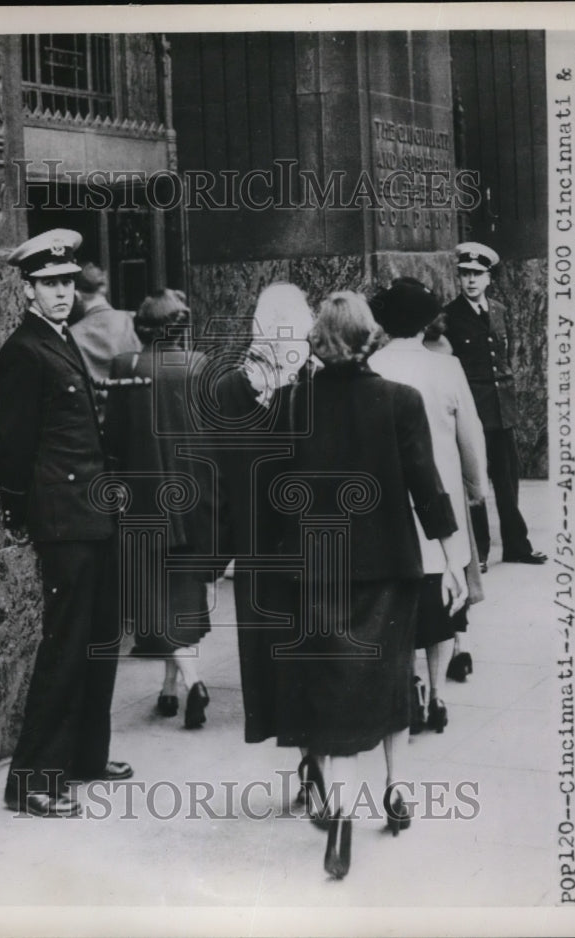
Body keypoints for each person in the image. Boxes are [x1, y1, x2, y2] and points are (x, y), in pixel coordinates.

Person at [277, 291, 468, 878]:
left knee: (334, 687)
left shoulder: (291, 404)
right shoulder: (400, 401)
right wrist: (453, 559)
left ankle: (338, 813)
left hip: (320, 570)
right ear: (370, 337)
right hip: (390, 567)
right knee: (391, 680)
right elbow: (425, 487)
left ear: (319, 339)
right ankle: (396, 790)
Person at [0, 229, 132, 819]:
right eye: (49, 284)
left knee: (99, 640)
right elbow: (14, 444)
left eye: (68, 283)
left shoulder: (60, 338)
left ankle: (83, 758)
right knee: (66, 646)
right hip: (62, 519)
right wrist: (17, 510)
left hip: (92, 514)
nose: (61, 293)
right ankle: (31, 781)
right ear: (28, 288)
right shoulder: (22, 351)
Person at [210, 284, 319, 806]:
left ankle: (307, 761)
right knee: (313, 654)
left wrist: (217, 549)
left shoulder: (232, 387)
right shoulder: (316, 382)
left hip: (259, 550)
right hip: (306, 546)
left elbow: (220, 477)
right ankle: (314, 761)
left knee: (280, 662)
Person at [369, 277, 487, 732]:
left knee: (399, 609)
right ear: (425, 322)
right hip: (441, 510)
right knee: (442, 608)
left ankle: (409, 684)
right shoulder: (447, 368)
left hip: (390, 511)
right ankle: (437, 694)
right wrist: (476, 491)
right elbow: (470, 436)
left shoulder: (372, 366)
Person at [103, 288, 215, 729]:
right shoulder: (201, 367)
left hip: (144, 504)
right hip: (194, 502)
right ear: (181, 326)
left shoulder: (124, 367)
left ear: (142, 327)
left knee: (156, 602)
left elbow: (112, 441)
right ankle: (172, 688)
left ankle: (190, 682)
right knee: (184, 600)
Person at [443, 242, 547, 568]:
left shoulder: (499, 310)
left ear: (489, 277)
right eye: (465, 274)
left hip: (503, 409)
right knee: (476, 483)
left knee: (507, 481)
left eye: (477, 274)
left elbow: (504, 358)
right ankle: (481, 553)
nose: (471, 280)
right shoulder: (448, 316)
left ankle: (517, 545)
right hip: (472, 411)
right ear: (458, 278)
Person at [68, 262, 142, 421]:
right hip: (139, 417)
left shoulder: (72, 335)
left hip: (99, 424)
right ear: (104, 290)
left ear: (77, 295)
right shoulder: (133, 320)